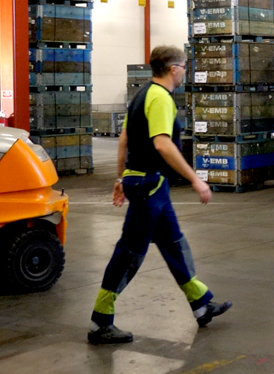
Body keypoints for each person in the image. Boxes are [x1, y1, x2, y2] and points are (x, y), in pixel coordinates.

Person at [88, 46, 231, 345]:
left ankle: (201, 305)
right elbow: (163, 144)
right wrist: (196, 179)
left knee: (174, 243)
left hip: (149, 184)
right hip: (149, 185)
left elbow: (124, 140)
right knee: (129, 253)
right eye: (184, 66)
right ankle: (101, 321)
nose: (185, 71)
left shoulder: (141, 96)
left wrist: (121, 177)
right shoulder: (161, 98)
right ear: (173, 68)